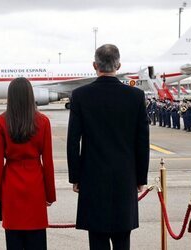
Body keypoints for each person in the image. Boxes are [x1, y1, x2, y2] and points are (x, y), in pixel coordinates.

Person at [67, 44, 149, 250]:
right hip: (124, 177)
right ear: (119, 65)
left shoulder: (80, 95)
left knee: (97, 239)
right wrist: (141, 178)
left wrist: (75, 177)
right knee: (123, 239)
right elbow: (142, 142)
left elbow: (72, 140)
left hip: (92, 177)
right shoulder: (136, 96)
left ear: (94, 65)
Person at [0, 77, 56, 250]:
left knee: (13, 240)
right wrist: (50, 194)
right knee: (36, 239)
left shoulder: (1, 121)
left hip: (11, 185)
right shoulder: (43, 121)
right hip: (35, 183)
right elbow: (48, 162)